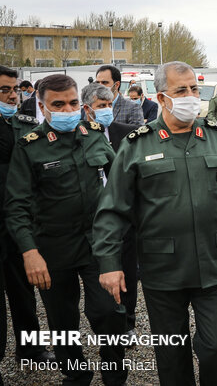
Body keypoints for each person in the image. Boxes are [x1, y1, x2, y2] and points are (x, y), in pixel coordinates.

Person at [93, 61, 217, 386]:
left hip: (212, 262)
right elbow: (112, 210)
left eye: (194, 89)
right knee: (172, 354)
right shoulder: (137, 145)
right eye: (182, 91)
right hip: (163, 267)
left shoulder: (216, 136)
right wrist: (109, 263)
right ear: (162, 98)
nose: (191, 96)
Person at [4, 74, 126, 386]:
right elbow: (16, 206)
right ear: (43, 109)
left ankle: (115, 375)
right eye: (58, 105)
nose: (68, 109)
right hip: (52, 247)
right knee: (63, 322)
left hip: (96, 243)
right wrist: (29, 253)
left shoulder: (95, 134)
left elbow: (119, 183)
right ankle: (76, 375)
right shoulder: (29, 147)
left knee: (110, 314)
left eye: (73, 102)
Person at [0, 66, 56, 375]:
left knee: (24, 290)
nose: (12, 95)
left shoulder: (26, 124)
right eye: (4, 89)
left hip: (20, 223)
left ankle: (31, 349)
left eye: (15, 89)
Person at [82, 82, 140, 341]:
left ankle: (127, 322)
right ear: (87, 110)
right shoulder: (78, 136)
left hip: (124, 217)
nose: (106, 110)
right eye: (100, 106)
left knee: (128, 268)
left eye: (109, 105)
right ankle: (106, 320)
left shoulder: (127, 133)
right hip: (93, 217)